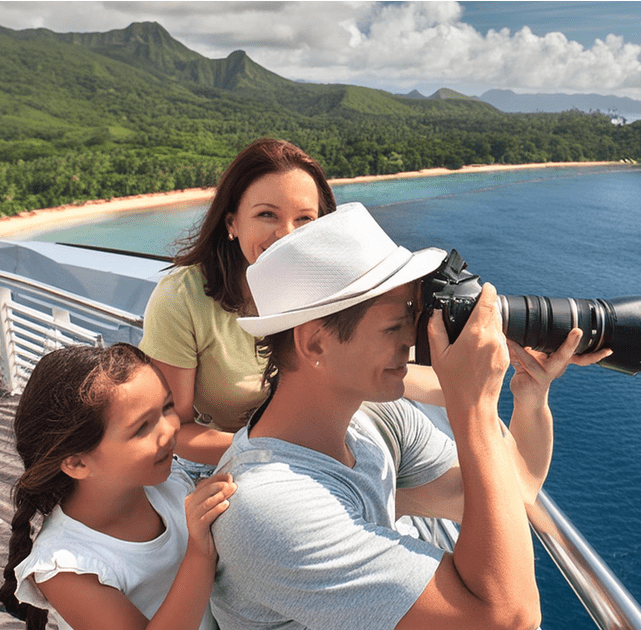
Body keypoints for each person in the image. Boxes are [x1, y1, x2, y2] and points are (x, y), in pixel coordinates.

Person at [210, 202, 611, 630]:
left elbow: (519, 488)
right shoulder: (267, 507)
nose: (413, 342)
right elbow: (507, 618)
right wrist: (472, 407)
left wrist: (529, 396)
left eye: (412, 320)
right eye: (393, 327)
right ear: (315, 344)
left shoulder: (374, 421)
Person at [140, 138, 443, 467]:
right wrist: (279, 452)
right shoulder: (183, 298)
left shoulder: (332, 289)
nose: (287, 235)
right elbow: (172, 428)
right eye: (267, 215)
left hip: (321, 444)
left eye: (304, 220)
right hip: (234, 463)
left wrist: (476, 383)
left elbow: (388, 369)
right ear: (232, 224)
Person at [0, 344, 237, 630]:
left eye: (167, 407)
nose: (171, 428)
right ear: (77, 464)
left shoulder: (171, 484)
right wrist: (200, 552)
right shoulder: (65, 567)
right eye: (142, 427)